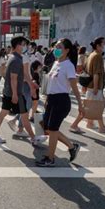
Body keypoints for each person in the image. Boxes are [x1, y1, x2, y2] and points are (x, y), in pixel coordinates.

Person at [0, 36, 47, 145]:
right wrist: (15, 94)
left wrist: (31, 84)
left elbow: (23, 74)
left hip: (10, 92)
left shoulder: (17, 58)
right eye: (23, 44)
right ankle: (33, 137)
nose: (25, 46)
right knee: (23, 115)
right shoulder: (16, 60)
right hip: (14, 93)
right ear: (17, 45)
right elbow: (13, 78)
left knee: (6, 113)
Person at [36, 39, 83, 167]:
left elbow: (74, 87)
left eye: (60, 47)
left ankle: (50, 158)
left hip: (61, 101)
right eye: (55, 46)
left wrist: (80, 105)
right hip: (52, 99)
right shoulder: (56, 63)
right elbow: (52, 83)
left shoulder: (68, 65)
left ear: (67, 50)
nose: (56, 49)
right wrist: (47, 99)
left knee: (52, 129)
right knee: (47, 128)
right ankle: (72, 146)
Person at [70, 37, 105, 134]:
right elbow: (96, 73)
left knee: (93, 106)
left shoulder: (90, 55)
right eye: (104, 43)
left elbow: (85, 71)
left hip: (90, 85)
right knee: (95, 107)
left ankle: (90, 123)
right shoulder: (97, 56)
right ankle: (75, 124)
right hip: (94, 86)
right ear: (98, 46)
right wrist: (96, 87)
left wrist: (86, 86)